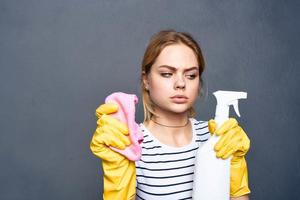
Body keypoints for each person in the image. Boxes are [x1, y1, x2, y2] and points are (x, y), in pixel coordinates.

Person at [90, 30, 251, 200]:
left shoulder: (217, 139)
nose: (181, 83)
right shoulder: (132, 146)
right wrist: (117, 179)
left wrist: (235, 167)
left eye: (191, 75)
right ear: (146, 80)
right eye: (167, 74)